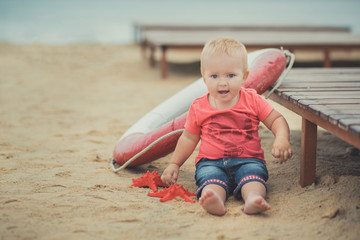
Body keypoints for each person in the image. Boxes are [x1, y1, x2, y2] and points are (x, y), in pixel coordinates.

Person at [161, 37, 292, 216]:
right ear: (204, 76)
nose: (222, 82)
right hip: (211, 162)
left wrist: (282, 138)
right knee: (210, 180)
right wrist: (174, 163)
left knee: (254, 177)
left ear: (245, 76)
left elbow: (276, 119)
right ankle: (215, 199)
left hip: (248, 159)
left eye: (231, 75)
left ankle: (253, 198)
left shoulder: (253, 100)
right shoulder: (199, 106)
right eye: (214, 76)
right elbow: (189, 137)